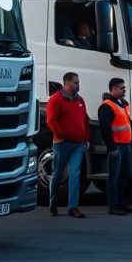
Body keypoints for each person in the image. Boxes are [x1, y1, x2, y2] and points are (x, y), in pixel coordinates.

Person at [46, 72, 89, 218]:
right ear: (67, 84)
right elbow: (51, 120)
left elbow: (84, 120)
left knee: (75, 174)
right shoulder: (56, 100)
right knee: (57, 173)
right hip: (62, 143)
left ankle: (73, 207)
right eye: (76, 82)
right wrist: (61, 135)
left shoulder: (80, 100)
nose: (79, 85)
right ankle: (53, 204)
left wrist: (86, 137)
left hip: (78, 143)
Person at [99, 78, 132, 215]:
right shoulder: (107, 106)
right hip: (117, 147)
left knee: (123, 176)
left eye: (124, 87)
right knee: (114, 176)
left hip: (125, 145)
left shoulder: (121, 104)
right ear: (113, 89)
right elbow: (105, 129)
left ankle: (121, 203)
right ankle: (113, 206)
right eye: (121, 88)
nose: (124, 89)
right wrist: (112, 147)